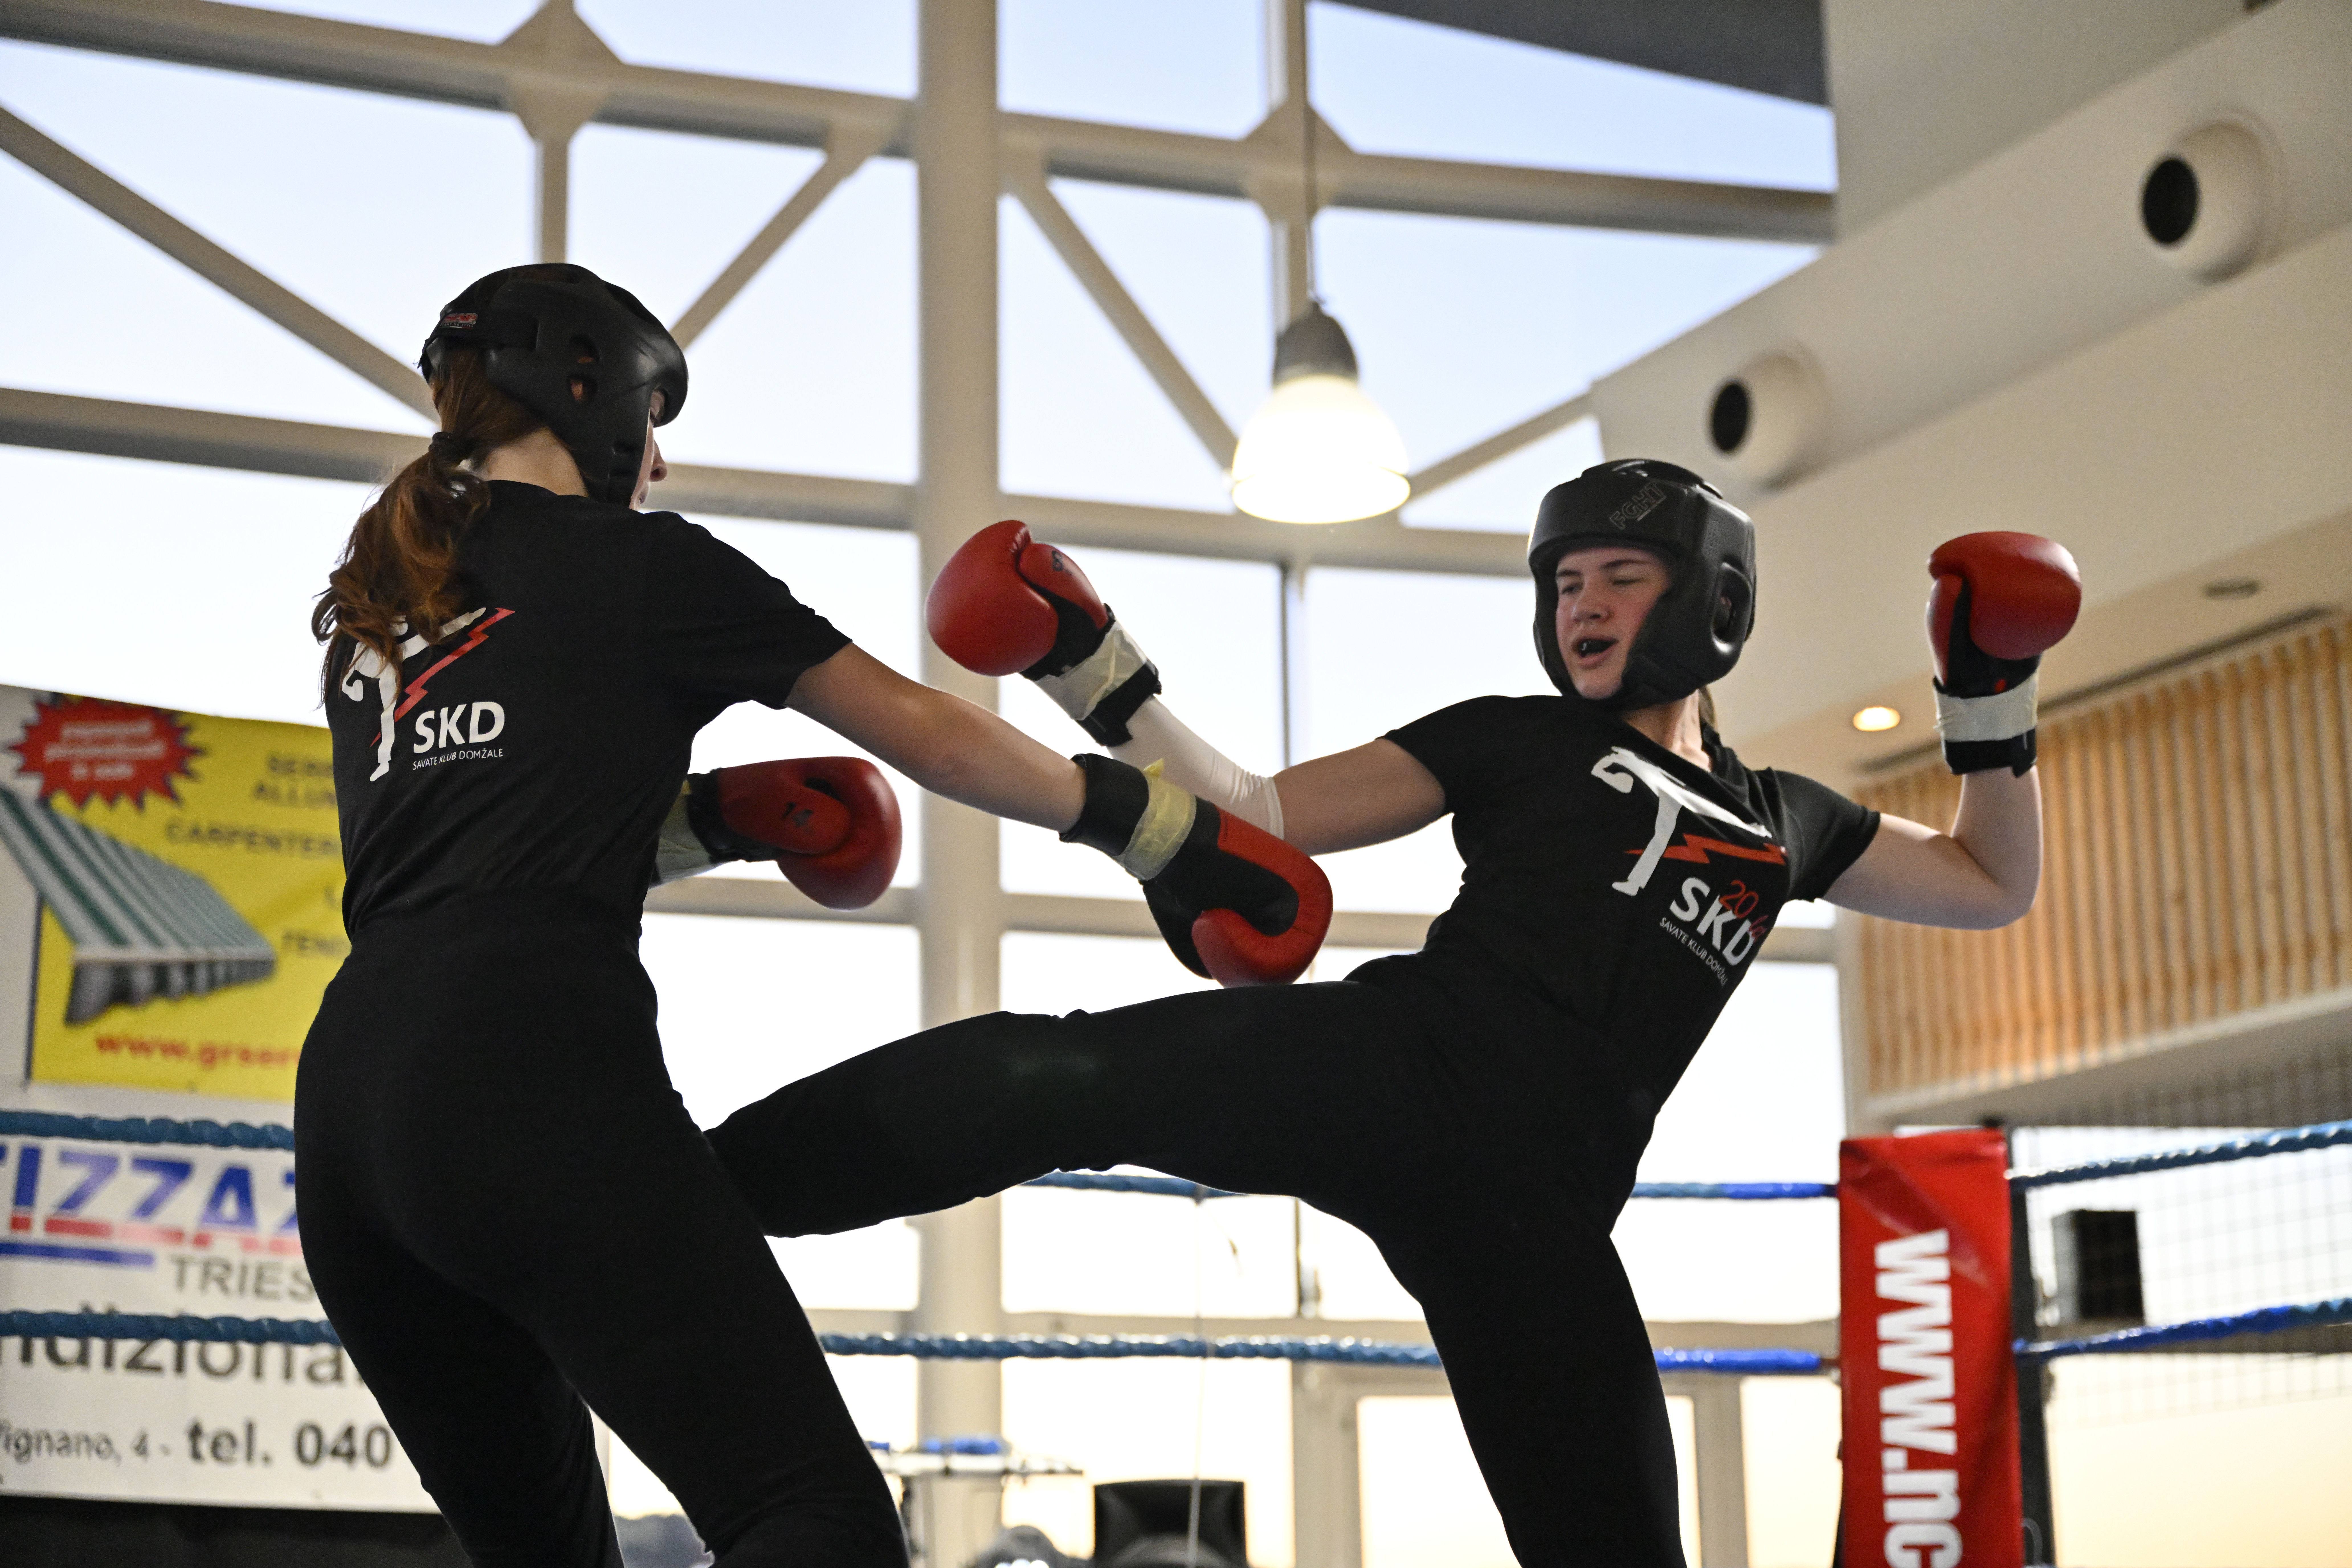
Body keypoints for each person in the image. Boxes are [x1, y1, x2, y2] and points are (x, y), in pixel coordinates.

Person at [704, 461, 2081, 1566]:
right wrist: (1089, 660)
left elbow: (1986, 881)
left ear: (1709, 597)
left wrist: (1988, 686)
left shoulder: (1792, 821)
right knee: (1067, 1071)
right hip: (1394, 1063)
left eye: (1620, 574)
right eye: (1565, 582)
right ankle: (699, 1191)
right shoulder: (1514, 735)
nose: (1584, 604)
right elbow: (1258, 813)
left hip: (1537, 1214)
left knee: (1613, 1541)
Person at [298, 264, 1327, 1567]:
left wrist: (725, 818)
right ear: (587, 386)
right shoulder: (646, 566)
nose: (657, 462)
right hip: (530, 1070)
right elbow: (929, 732)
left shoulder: (380, 615)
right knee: (814, 1519)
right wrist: (1163, 835)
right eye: (650, 420)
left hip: (348, 1130)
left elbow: (498, 843)